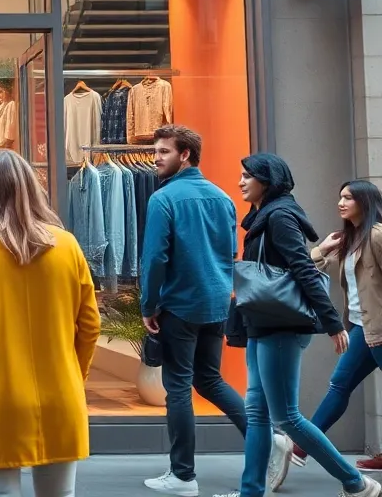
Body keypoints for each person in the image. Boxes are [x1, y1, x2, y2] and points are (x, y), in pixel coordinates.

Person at [0, 150, 100, 497]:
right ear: (31, 187)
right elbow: (89, 325)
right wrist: (76, 373)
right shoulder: (67, 245)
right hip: (61, 394)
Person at [218, 155, 380, 497]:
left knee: (287, 417)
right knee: (258, 414)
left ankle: (356, 483)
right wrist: (320, 250)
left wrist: (334, 323)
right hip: (262, 324)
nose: (241, 182)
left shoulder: (279, 216)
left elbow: (303, 272)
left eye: (248, 176)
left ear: (269, 179)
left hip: (281, 327)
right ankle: (251, 492)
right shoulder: (265, 216)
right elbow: (299, 263)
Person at [139, 125, 249, 497]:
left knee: (178, 388)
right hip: (216, 301)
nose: (155, 158)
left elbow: (154, 258)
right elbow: (231, 252)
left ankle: (183, 476)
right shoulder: (223, 198)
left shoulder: (164, 199)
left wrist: (148, 305)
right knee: (210, 379)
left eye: (163, 152)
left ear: (185, 154)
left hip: (180, 304)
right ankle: (267, 438)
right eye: (155, 151)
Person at [271, 180, 382, 488]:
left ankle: (301, 445)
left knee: (339, 385)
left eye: (348, 197)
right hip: (362, 327)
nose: (341, 202)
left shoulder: (376, 235)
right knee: (339, 385)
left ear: (365, 202)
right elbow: (305, 267)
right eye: (340, 196)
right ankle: (301, 446)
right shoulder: (349, 239)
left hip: (380, 328)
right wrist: (322, 248)